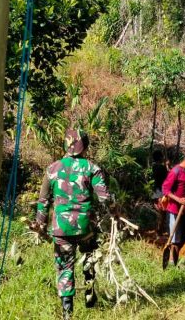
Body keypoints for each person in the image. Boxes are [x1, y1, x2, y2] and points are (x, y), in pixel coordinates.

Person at [33, 129, 115, 320]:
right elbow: (104, 197)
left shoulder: (52, 169)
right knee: (89, 259)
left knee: (65, 268)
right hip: (85, 227)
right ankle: (89, 296)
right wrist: (115, 210)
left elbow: (43, 201)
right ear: (84, 146)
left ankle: (67, 313)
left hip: (61, 229)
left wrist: (39, 224)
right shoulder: (91, 168)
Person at [161, 151, 185, 265]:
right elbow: (165, 189)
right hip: (174, 210)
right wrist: (179, 200)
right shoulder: (175, 171)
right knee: (175, 239)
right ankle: (172, 262)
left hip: (183, 210)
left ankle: (175, 258)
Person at [151, 150, 168, 235]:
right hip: (161, 193)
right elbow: (167, 179)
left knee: (159, 213)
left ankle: (158, 230)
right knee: (162, 213)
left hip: (156, 192)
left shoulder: (153, 167)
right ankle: (159, 231)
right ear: (160, 158)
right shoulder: (161, 168)